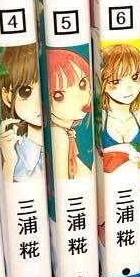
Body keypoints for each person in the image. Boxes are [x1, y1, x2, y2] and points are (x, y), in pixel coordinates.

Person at [0, 44, 44, 182]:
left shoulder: (67, 143)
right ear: (7, 97)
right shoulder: (14, 154)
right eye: (25, 92)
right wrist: (9, 162)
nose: (39, 102)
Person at [46, 48, 93, 180]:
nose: (81, 98)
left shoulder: (65, 132)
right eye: (59, 96)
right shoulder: (59, 135)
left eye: (83, 84)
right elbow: (62, 180)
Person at [98, 44, 140, 171]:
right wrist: (125, 149)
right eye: (116, 81)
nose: (129, 87)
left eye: (134, 77)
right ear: (104, 84)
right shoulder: (99, 117)